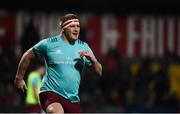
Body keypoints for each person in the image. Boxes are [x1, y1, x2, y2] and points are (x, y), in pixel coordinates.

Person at [14, 13, 102, 113]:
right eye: (72, 26)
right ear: (63, 28)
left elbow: (99, 72)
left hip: (72, 99)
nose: (76, 29)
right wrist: (19, 77)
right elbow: (27, 56)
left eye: (78, 26)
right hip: (50, 93)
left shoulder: (84, 46)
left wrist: (94, 61)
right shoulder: (49, 44)